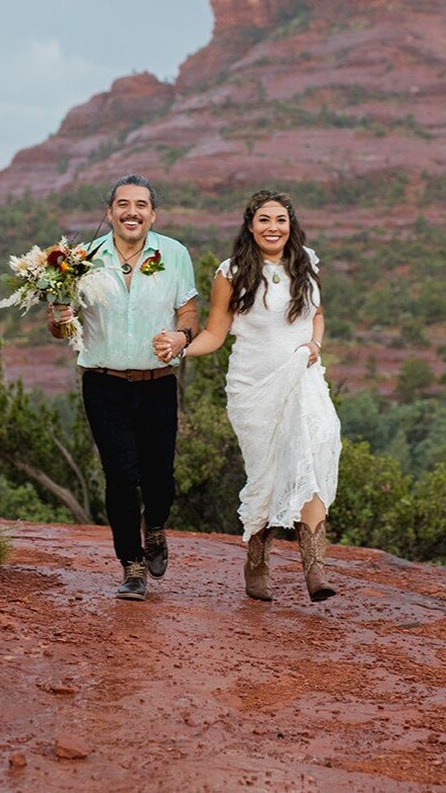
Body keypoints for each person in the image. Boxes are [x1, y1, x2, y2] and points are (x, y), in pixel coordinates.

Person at [154, 189, 341, 602]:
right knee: (266, 473)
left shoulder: (307, 262)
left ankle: (316, 570)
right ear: (250, 225)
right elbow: (215, 335)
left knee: (315, 449)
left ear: (290, 224)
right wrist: (180, 345)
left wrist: (315, 346)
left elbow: (318, 316)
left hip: (304, 378)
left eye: (280, 220)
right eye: (264, 220)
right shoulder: (232, 271)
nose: (273, 228)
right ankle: (257, 561)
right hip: (253, 386)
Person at [49, 174, 198, 601]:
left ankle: (155, 528)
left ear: (153, 213)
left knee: (159, 477)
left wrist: (182, 337)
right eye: (123, 204)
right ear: (110, 211)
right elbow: (61, 327)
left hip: (158, 383)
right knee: (119, 475)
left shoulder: (175, 254)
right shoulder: (81, 259)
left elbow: (188, 311)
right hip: (104, 384)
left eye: (141, 205)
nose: (132, 212)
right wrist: (58, 320)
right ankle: (131, 566)